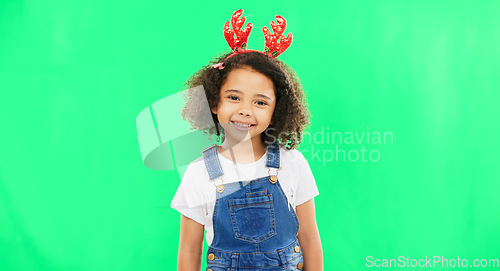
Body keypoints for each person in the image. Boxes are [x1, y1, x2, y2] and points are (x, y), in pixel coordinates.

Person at [171, 9, 323, 271]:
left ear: (277, 111)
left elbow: (309, 238)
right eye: (234, 97)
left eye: (260, 102)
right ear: (214, 102)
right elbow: (189, 250)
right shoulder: (198, 173)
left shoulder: (293, 163)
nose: (245, 110)